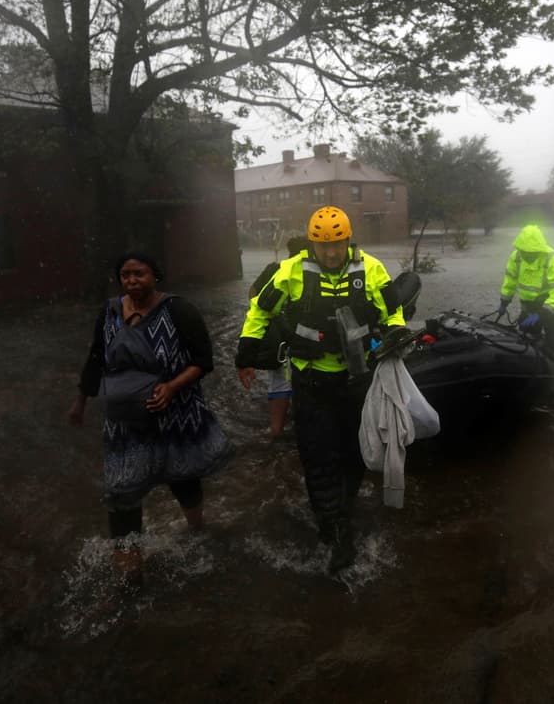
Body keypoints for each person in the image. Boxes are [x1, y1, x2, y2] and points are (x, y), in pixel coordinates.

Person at [235, 206, 406, 573]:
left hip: (356, 379)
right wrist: (246, 352)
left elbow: (393, 311)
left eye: (337, 245)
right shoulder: (290, 271)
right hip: (311, 380)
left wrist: (394, 333)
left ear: (348, 240)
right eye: (323, 246)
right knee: (317, 455)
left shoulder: (372, 269)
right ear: (313, 243)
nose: (330, 253)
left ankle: (342, 511)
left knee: (353, 453)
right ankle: (333, 526)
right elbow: (259, 310)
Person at [67, 251, 233, 588]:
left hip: (175, 415)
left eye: (139, 274)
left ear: (155, 275)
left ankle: (197, 528)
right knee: (122, 491)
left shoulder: (178, 311)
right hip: (125, 423)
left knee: (182, 476)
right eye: (125, 275)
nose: (132, 281)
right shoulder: (110, 314)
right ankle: (130, 573)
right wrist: (80, 402)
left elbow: (204, 360)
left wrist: (170, 388)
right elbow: (95, 359)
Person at [250, 236, 308, 440]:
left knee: (279, 382)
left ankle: (276, 431)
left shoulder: (275, 269)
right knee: (305, 380)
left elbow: (253, 294)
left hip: (277, 341)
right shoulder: (309, 273)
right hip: (300, 339)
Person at [497, 224, 554, 357]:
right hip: (529, 306)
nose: (528, 256)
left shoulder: (553, 260)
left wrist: (541, 314)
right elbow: (510, 280)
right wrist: (504, 301)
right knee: (526, 336)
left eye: (532, 253)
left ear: (539, 249)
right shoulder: (516, 257)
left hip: (553, 308)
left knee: (553, 340)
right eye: (524, 252)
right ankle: (534, 362)